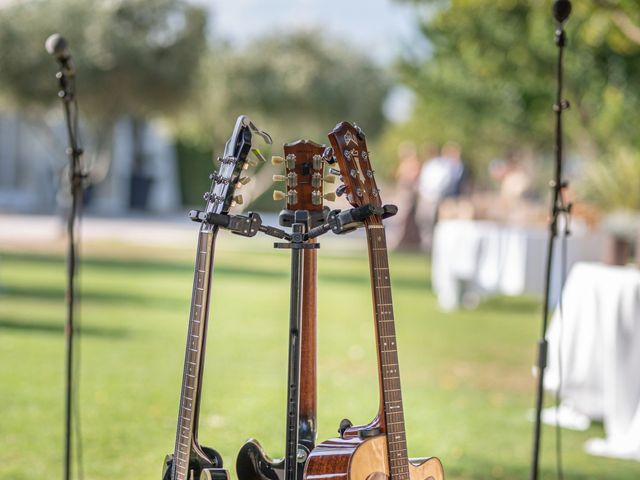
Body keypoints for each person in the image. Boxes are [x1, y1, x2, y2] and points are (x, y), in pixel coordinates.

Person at [415, 141, 466, 252]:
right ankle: (427, 246)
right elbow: (424, 181)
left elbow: (447, 183)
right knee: (425, 222)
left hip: (442, 199)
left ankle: (437, 247)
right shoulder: (431, 165)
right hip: (428, 198)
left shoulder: (450, 166)